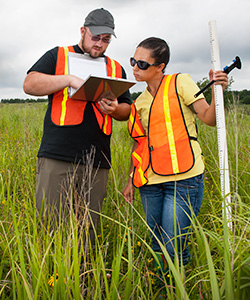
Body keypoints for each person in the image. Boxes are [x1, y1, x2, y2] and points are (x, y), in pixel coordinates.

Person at [122, 37, 228, 284]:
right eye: (133, 61)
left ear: (160, 66)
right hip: (149, 182)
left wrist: (217, 90)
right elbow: (140, 144)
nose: (135, 68)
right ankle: (165, 283)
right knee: (156, 241)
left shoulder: (181, 82)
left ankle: (171, 288)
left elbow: (209, 118)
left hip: (184, 179)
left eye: (142, 63)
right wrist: (131, 179)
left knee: (173, 243)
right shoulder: (139, 102)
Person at [23, 8, 132, 246]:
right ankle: (52, 278)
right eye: (96, 38)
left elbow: (126, 110)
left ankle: (84, 278)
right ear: (83, 31)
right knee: (51, 226)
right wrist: (68, 79)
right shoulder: (58, 56)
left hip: (97, 161)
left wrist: (115, 109)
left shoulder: (115, 68)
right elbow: (30, 84)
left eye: (106, 40)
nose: (100, 45)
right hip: (58, 155)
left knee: (89, 229)